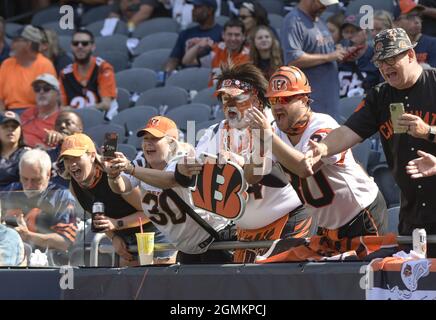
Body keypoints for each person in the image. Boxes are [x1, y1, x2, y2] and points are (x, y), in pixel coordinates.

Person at [304, 28, 436, 256]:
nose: (385, 68)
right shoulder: (379, 96)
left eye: (391, 59)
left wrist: (429, 132)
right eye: (380, 62)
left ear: (411, 56)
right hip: (413, 215)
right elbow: (348, 131)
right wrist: (323, 148)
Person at [247, 65, 388, 241]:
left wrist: (268, 138)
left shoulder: (323, 125)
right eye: (273, 101)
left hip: (361, 213)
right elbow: (252, 177)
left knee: (364, 268)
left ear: (304, 100)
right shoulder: (274, 132)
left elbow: (304, 168)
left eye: (285, 99)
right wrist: (259, 141)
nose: (277, 107)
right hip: (328, 224)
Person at [194, 62, 310, 263]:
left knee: (283, 285)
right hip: (245, 229)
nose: (229, 104)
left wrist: (238, 165)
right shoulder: (214, 132)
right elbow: (197, 177)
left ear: (255, 98)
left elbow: (282, 175)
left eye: (236, 97)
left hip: (287, 218)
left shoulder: (276, 125)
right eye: (224, 97)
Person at [105, 116, 233, 264]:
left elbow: (170, 180)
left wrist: (130, 169)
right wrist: (112, 175)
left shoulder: (183, 160)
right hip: (187, 247)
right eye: (145, 138)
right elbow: (121, 187)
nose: (148, 143)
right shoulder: (141, 162)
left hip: (214, 240)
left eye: (154, 138)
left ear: (172, 143)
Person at [58, 133, 169, 266]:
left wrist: (117, 223)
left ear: (92, 156)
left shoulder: (114, 177)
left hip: (154, 235)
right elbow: (98, 218)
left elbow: (151, 212)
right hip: (126, 241)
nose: (72, 163)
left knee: (158, 283)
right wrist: (114, 237)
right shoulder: (74, 187)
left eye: (76, 157)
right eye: (67, 159)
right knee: (130, 284)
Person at [2, 149, 78, 264]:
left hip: (47, 264)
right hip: (10, 259)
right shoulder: (9, 192)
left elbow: (65, 241)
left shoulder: (61, 196)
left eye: (35, 180)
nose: (28, 185)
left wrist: (28, 236)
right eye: (24, 178)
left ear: (48, 174)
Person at [281, 0, 346, 119]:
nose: (325, 6)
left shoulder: (318, 20)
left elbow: (323, 51)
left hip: (330, 100)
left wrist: (338, 52)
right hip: (313, 103)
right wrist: (329, 56)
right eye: (322, 2)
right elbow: (293, 60)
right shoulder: (293, 21)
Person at [59, 29, 118, 118]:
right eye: (76, 43)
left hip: (100, 120)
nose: (80, 46)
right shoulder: (65, 74)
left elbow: (106, 105)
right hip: (73, 123)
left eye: (85, 43)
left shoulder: (103, 68)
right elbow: (61, 107)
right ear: (71, 46)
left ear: (93, 46)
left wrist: (78, 111)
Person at [0, 25, 56, 113]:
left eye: (15, 41)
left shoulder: (45, 65)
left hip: (36, 113)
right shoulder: (6, 64)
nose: (11, 44)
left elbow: (48, 101)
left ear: (28, 44)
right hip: (9, 114)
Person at [183, 18, 249, 86]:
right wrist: (198, 45)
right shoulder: (216, 50)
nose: (233, 38)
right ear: (223, 35)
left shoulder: (250, 56)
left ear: (243, 36)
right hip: (211, 94)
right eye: (229, 34)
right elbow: (187, 61)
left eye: (237, 35)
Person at [165, 0, 223, 72]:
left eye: (197, 7)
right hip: (185, 75)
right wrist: (167, 73)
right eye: (193, 7)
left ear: (210, 10)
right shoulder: (185, 33)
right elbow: (174, 59)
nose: (192, 10)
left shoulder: (222, 33)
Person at [338, 14, 381, 98]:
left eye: (354, 31)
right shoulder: (335, 57)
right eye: (346, 32)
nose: (350, 36)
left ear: (365, 32)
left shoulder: (375, 56)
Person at [20, 74, 61, 149]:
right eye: (37, 89)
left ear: (58, 94)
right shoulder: (27, 113)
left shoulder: (62, 118)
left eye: (46, 88)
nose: (41, 92)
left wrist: (46, 149)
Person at [45, 110, 84, 188]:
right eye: (58, 124)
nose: (62, 125)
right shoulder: (47, 155)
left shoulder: (88, 147)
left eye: (68, 123)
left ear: (80, 129)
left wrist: (65, 139)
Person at [394, 0, 436, 68]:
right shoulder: (392, 47)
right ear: (397, 23)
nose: (417, 21)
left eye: (419, 15)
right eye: (410, 17)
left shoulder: (433, 43)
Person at [0, 111, 29, 191]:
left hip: (16, 201)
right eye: (5, 126)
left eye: (14, 126)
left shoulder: (28, 155)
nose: (10, 129)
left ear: (20, 130)